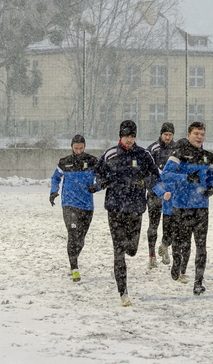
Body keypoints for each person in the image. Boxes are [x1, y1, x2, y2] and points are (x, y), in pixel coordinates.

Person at [93, 119, 160, 307]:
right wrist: (102, 182)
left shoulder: (144, 154)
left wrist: (146, 181)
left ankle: (126, 254)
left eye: (132, 136)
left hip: (136, 207)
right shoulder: (110, 154)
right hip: (115, 208)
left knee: (132, 249)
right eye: (126, 136)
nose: (129, 140)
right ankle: (123, 292)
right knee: (119, 251)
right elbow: (98, 173)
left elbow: (155, 175)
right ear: (120, 137)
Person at [160, 121, 213, 295]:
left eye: (202, 134)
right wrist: (186, 178)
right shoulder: (179, 153)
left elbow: (211, 177)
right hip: (181, 206)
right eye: (196, 134)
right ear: (189, 134)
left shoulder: (208, 156)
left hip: (201, 207)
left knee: (201, 246)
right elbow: (166, 175)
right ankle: (177, 263)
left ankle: (198, 282)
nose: (199, 137)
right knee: (181, 243)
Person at [49, 134, 99, 282]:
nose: (78, 151)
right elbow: (55, 177)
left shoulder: (92, 161)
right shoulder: (65, 162)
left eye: (81, 148)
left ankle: (74, 257)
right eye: (76, 148)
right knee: (72, 234)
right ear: (71, 147)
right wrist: (53, 191)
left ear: (85, 147)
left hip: (87, 205)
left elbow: (104, 176)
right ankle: (74, 267)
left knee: (81, 239)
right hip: (69, 204)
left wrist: (97, 187)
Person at [145, 122, 178, 268]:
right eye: (166, 134)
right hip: (155, 193)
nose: (168, 137)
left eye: (170, 135)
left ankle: (165, 245)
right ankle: (151, 256)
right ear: (161, 134)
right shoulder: (152, 149)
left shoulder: (177, 149)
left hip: (170, 194)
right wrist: (155, 186)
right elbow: (147, 171)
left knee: (169, 225)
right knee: (153, 225)